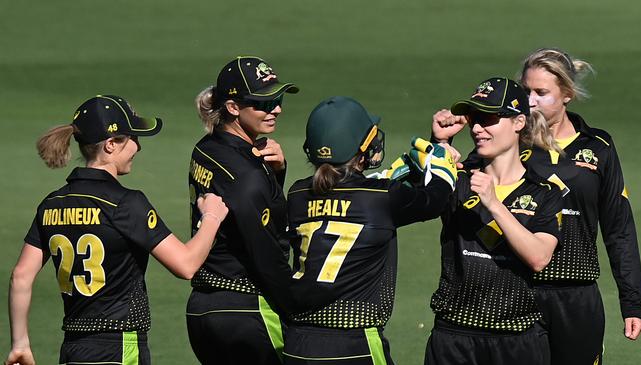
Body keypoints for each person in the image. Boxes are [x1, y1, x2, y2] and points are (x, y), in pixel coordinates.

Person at [432, 49, 641, 364]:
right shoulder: (509, 143)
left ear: (567, 94)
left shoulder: (597, 147)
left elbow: (619, 227)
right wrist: (442, 144)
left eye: (541, 93)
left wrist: (631, 301)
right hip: (518, 291)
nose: (530, 100)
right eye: (527, 90)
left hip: (574, 293)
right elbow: (455, 185)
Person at [5, 95, 228, 365]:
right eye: (133, 138)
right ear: (110, 145)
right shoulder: (125, 203)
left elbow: (20, 276)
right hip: (119, 348)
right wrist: (212, 218)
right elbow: (186, 265)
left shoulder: (52, 204)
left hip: (72, 350)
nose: (139, 147)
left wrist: (20, 343)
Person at [282, 96, 457, 365]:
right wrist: (442, 161)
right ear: (362, 147)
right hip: (354, 345)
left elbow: (347, 196)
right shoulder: (383, 198)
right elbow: (435, 199)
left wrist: (393, 175)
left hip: (297, 344)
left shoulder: (297, 194)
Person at [425, 78, 563, 365]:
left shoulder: (544, 193)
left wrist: (494, 204)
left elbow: (539, 258)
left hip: (515, 340)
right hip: (454, 338)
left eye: (489, 119)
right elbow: (418, 196)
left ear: (518, 122)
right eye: (475, 119)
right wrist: (439, 143)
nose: (477, 129)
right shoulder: (457, 180)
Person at [185, 56, 300, 365]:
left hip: (202, 311)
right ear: (233, 107)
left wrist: (274, 174)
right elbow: (267, 256)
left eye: (277, 98)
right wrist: (298, 311)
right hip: (247, 311)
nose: (276, 108)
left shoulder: (205, 148)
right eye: (263, 102)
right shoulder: (247, 175)